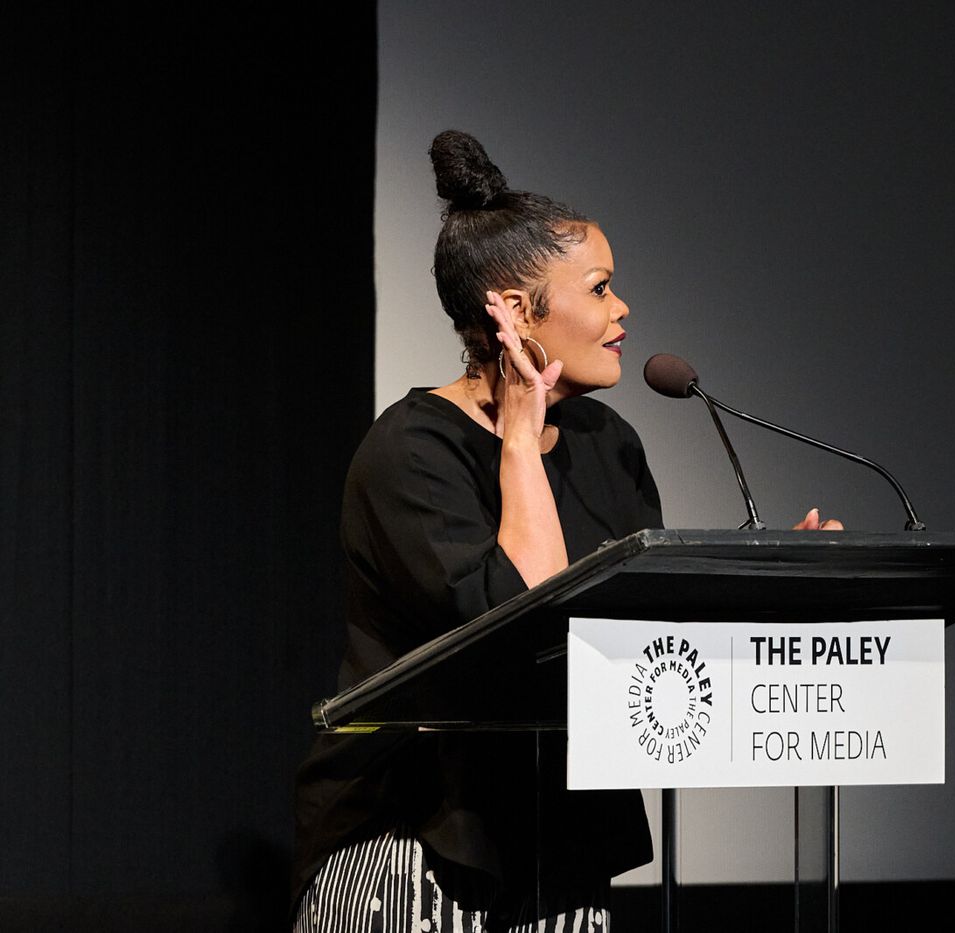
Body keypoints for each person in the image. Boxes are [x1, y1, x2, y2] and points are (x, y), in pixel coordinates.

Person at [292, 130, 840, 933]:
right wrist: (518, 439)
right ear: (516, 311)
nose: (623, 309)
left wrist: (771, 589)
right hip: (420, 839)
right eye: (601, 287)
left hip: (564, 841)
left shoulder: (607, 443)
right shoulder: (414, 450)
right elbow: (521, 622)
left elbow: (641, 633)